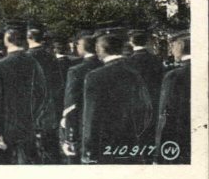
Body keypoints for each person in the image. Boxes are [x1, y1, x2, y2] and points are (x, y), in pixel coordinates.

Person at [81, 33, 153, 164]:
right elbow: (145, 109)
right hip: (130, 141)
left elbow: (91, 116)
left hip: (104, 144)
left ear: (100, 49)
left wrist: (88, 149)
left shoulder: (94, 76)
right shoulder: (134, 74)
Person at [0, 28, 47, 164]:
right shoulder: (32, 62)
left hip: (5, 123)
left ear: (7, 41)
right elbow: (41, 92)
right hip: (27, 122)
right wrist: (34, 114)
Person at [60, 34, 102, 164]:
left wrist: (69, 138)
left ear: (84, 47)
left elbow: (71, 106)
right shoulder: (104, 66)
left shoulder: (75, 70)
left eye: (78, 44)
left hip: (81, 126)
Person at [26, 28, 64, 164]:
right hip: (49, 107)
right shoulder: (50, 57)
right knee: (50, 147)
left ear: (28, 38)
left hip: (30, 108)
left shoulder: (26, 57)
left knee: (30, 151)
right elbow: (58, 84)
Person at [126, 30, 165, 159]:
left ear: (131, 42)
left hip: (134, 104)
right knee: (151, 134)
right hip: (154, 101)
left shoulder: (128, 62)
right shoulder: (156, 60)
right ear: (147, 41)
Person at [157, 32, 190, 164]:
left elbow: (165, 114)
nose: (171, 51)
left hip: (178, 138)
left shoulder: (174, 76)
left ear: (180, 46)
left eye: (173, 46)